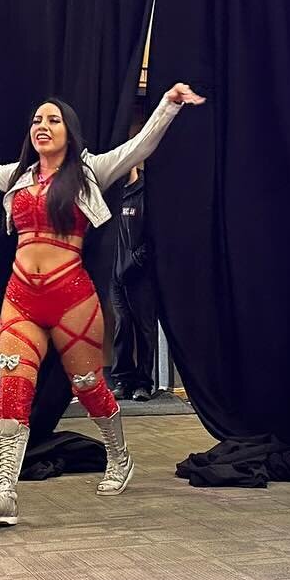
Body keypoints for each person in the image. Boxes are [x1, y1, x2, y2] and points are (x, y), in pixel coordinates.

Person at [0, 83, 205, 526]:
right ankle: (5, 492)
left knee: (87, 385)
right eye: (37, 120)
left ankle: (119, 455)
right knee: (12, 387)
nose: (42, 126)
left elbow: (139, 147)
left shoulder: (90, 170)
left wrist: (168, 106)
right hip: (20, 297)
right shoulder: (17, 177)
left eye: (53, 120)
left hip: (71, 297)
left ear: (69, 132)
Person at [109, 162, 157, 401]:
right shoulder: (112, 196)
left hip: (140, 275)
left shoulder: (146, 192)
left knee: (144, 329)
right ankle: (122, 379)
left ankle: (143, 384)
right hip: (115, 276)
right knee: (122, 325)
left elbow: (153, 238)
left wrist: (133, 264)